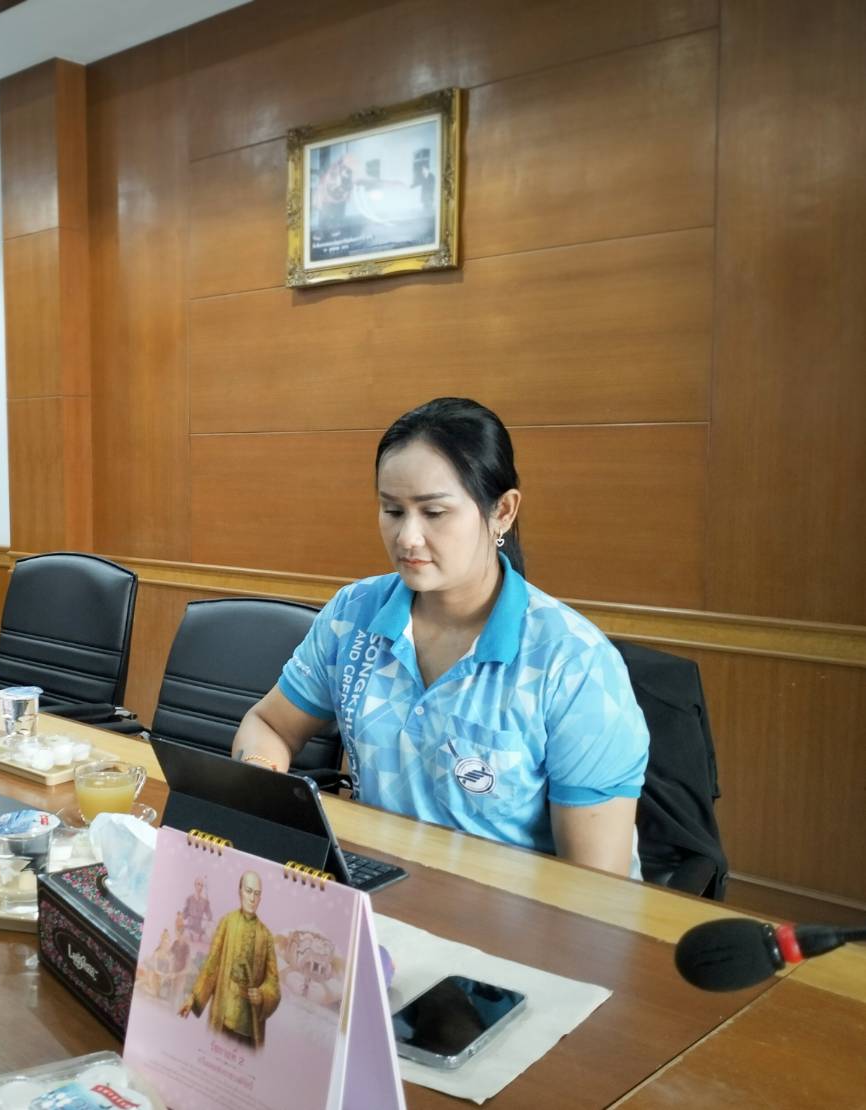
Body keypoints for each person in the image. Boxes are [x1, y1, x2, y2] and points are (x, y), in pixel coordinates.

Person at [231, 397, 648, 878]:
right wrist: (261, 780)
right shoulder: (355, 613)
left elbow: (595, 888)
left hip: (508, 914)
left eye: (434, 512)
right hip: (374, 891)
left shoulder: (572, 662)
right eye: (392, 510)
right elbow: (270, 724)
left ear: (502, 511)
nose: (407, 537)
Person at [179, 870, 280, 1047]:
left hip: (250, 1027)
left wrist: (263, 995)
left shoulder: (266, 936)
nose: (252, 898)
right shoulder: (227, 922)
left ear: (260, 898)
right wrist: (193, 998)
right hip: (223, 1015)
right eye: (248, 891)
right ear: (240, 891)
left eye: (257, 894)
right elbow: (212, 964)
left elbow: (273, 983)